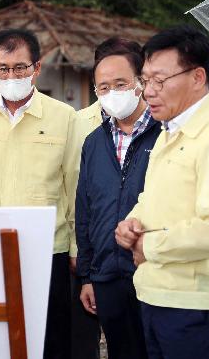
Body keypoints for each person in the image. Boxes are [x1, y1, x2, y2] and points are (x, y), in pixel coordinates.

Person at [0, 29, 78, 359]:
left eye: (20, 67)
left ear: (37, 67)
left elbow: (75, 187)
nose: (11, 76)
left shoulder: (64, 117)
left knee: (51, 340)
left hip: (48, 251)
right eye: (3, 68)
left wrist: (79, 248)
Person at [115, 25, 209, 359]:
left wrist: (150, 245)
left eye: (160, 80)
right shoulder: (168, 131)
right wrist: (130, 224)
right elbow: (152, 199)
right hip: (155, 295)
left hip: (197, 305)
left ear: (198, 77)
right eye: (145, 80)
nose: (149, 92)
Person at [76, 37, 157, 359]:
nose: (113, 93)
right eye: (103, 87)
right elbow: (85, 209)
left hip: (151, 270)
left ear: (140, 82)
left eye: (120, 83)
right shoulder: (94, 141)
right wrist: (87, 276)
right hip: (107, 276)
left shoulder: (165, 133)